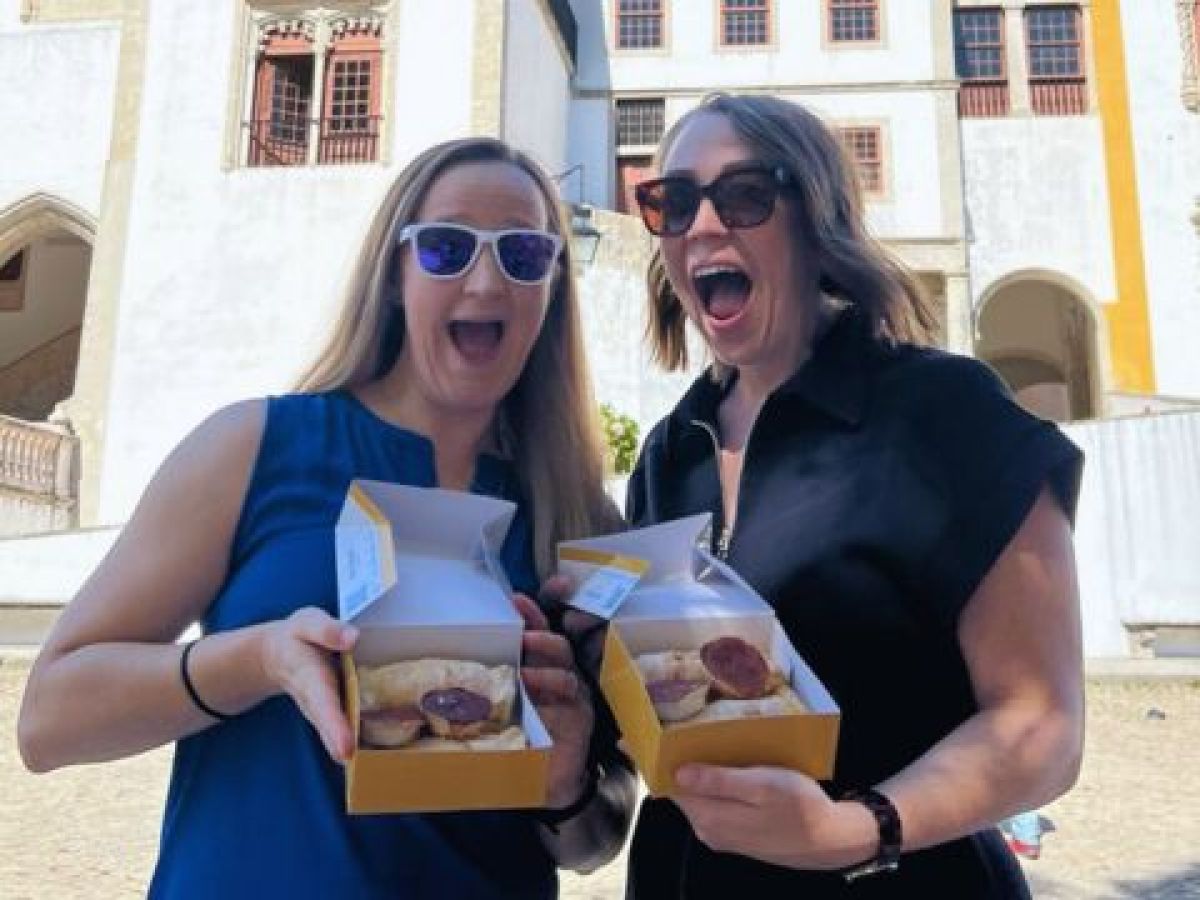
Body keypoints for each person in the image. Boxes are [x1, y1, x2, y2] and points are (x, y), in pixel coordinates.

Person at [17, 136, 635, 899]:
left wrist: (567, 781)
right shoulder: (251, 447)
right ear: (396, 274)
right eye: (445, 247)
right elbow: (48, 721)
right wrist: (259, 661)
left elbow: (594, 839)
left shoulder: (582, 517)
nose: (487, 278)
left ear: (552, 287)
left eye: (523, 253)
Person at [618, 93, 1084, 897]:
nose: (701, 225)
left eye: (744, 195)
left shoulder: (949, 414)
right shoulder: (668, 451)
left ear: (816, 216)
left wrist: (857, 829)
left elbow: (1041, 724)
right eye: (674, 201)